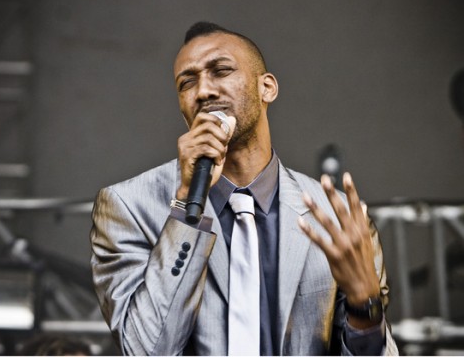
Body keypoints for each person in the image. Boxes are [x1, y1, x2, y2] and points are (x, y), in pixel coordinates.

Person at [90, 21, 398, 355]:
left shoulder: (336, 216)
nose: (203, 90)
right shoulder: (127, 206)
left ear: (267, 88)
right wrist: (185, 211)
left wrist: (365, 308)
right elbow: (145, 350)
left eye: (221, 71)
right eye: (187, 83)